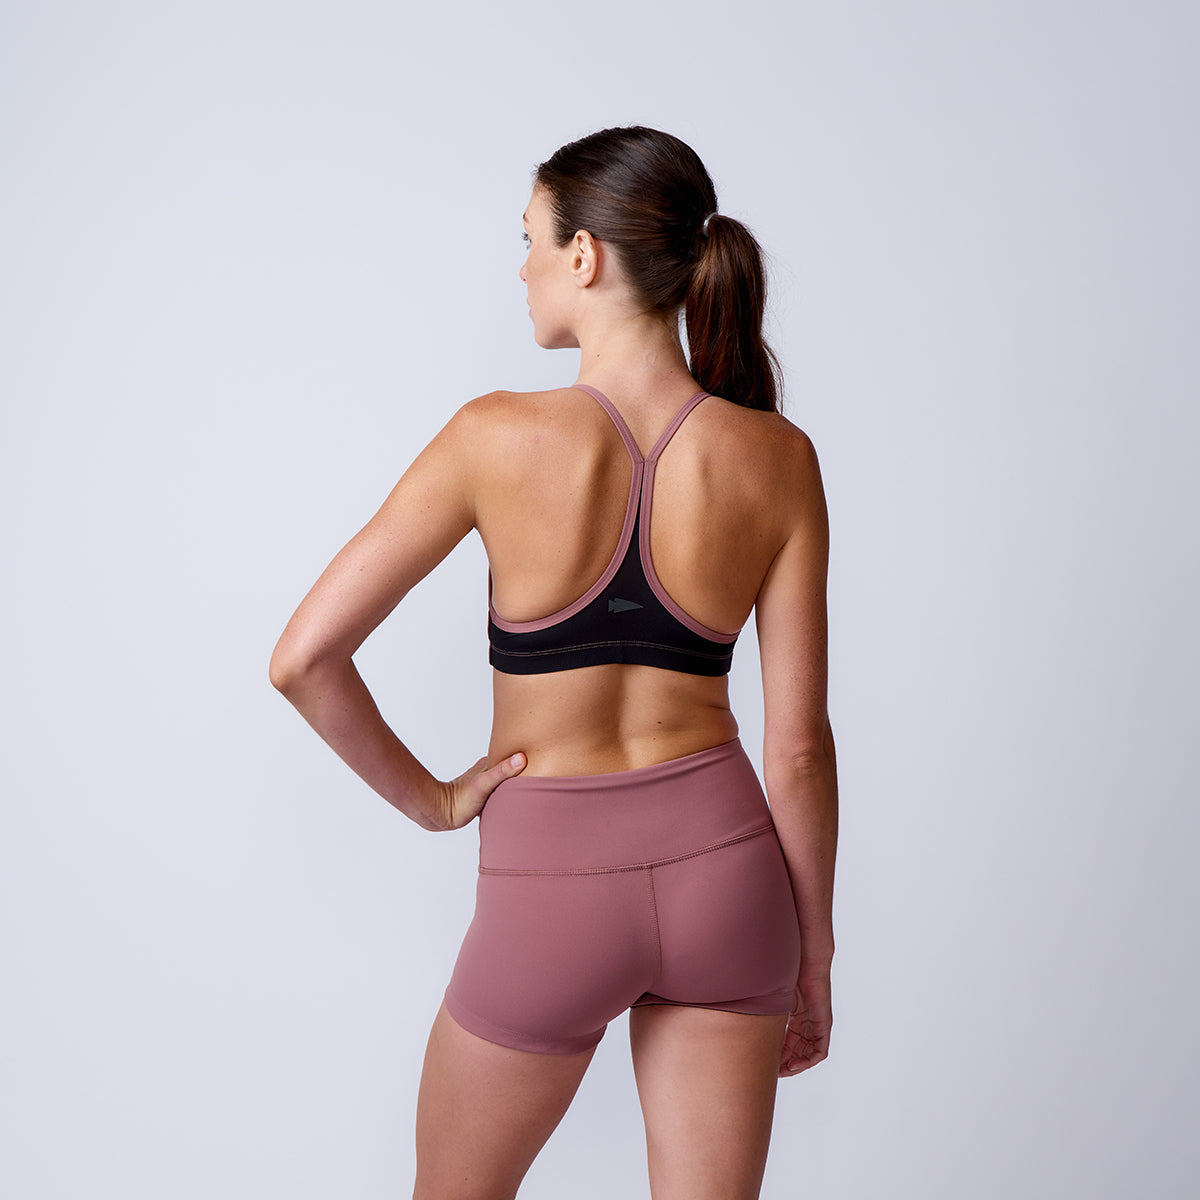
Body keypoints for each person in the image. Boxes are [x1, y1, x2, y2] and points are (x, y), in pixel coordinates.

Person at [270, 124, 838, 1200]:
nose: (521, 266)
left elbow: (305, 658)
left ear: (585, 258)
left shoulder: (493, 437)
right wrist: (811, 952)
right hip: (729, 878)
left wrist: (437, 801)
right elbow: (799, 748)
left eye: (530, 238)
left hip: (551, 888)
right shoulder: (780, 458)